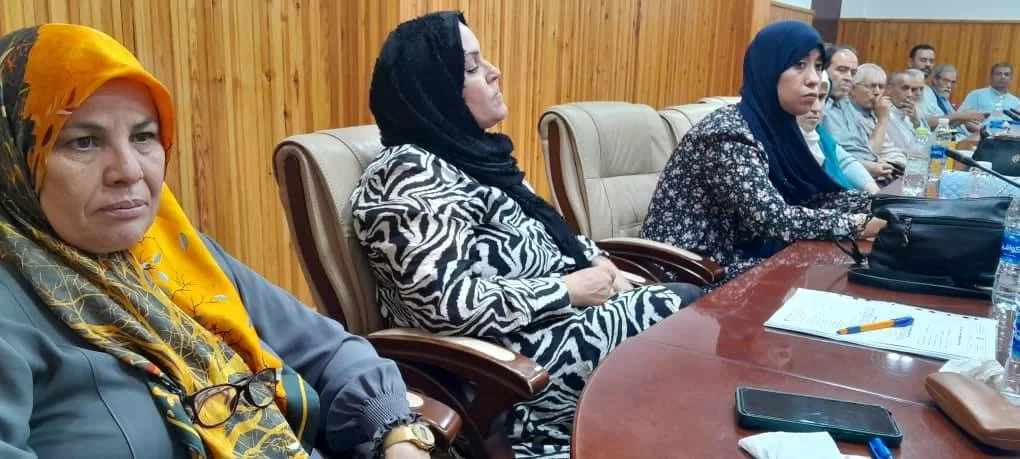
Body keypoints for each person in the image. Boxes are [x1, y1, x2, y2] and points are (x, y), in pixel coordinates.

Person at [0, 24, 430, 459]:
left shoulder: (178, 252)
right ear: (14, 157)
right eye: (84, 142)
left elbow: (332, 351)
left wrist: (399, 436)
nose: (128, 171)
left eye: (143, 136)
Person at [351, 11, 702, 458]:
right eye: (472, 67)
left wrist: (596, 260)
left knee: (694, 315)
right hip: (510, 364)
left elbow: (546, 230)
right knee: (686, 312)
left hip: (560, 325)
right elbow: (443, 306)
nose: (494, 71)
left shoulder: (475, 157)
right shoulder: (410, 174)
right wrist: (568, 289)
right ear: (432, 91)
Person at [641, 21, 883, 283]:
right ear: (769, 69)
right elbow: (773, 219)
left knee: (847, 273)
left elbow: (814, 198)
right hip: (693, 270)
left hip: (743, 259)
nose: (814, 79)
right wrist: (860, 225)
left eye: (818, 66)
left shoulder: (778, 127)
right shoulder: (728, 132)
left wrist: (885, 207)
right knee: (836, 279)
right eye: (799, 65)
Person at [822, 44, 896, 183]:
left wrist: (877, 162)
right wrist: (866, 167)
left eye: (853, 73)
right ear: (823, 70)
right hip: (844, 179)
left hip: (872, 173)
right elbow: (823, 157)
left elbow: (865, 148)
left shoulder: (847, 105)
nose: (848, 77)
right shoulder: (817, 108)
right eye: (842, 70)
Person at [797, 72, 880, 194]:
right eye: (808, 98)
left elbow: (845, 161)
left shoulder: (819, 133)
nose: (816, 108)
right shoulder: (776, 140)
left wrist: (874, 192)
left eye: (822, 97)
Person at [849, 64, 906, 167]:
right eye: (871, 86)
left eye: (881, 87)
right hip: (883, 169)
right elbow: (869, 153)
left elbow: (887, 148)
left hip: (900, 164)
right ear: (853, 89)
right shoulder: (849, 115)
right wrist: (882, 119)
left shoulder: (876, 110)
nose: (877, 92)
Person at [918, 63, 985, 138]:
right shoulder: (926, 95)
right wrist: (962, 116)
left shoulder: (944, 99)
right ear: (935, 80)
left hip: (951, 137)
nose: (949, 86)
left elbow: (949, 126)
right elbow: (927, 123)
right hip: (937, 140)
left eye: (953, 82)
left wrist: (965, 118)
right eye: (946, 81)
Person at [885, 69, 926, 147]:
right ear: (889, 89)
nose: (910, 94)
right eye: (905, 88)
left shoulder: (910, 113)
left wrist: (915, 122)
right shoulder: (884, 114)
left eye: (912, 90)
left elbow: (926, 144)